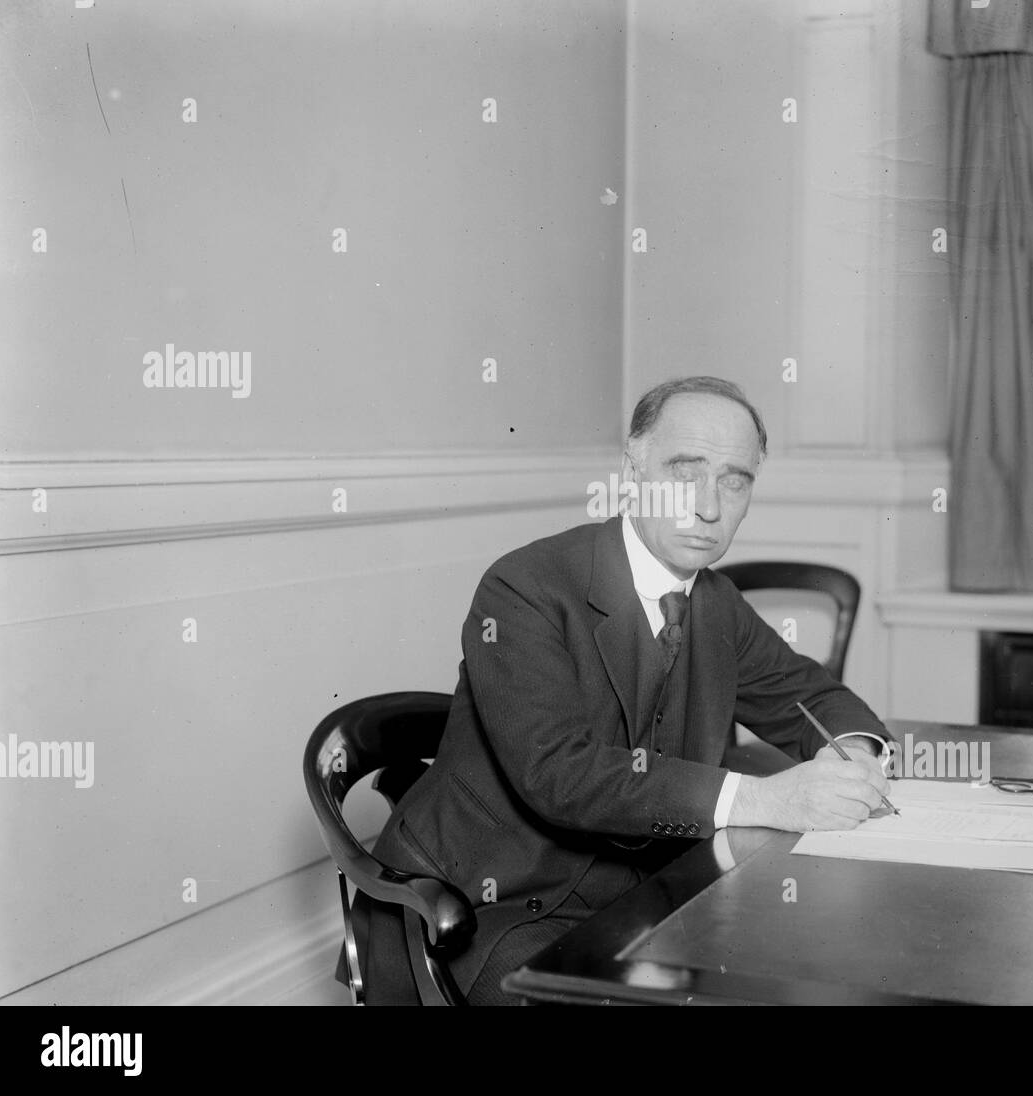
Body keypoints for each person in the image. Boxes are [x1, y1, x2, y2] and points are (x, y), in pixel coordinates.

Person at [352, 376, 891, 1004]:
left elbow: (813, 697)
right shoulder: (524, 588)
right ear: (632, 469)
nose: (708, 507)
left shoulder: (714, 601)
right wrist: (766, 800)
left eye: (735, 479)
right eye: (684, 471)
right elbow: (559, 773)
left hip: (645, 891)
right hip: (493, 905)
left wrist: (848, 752)